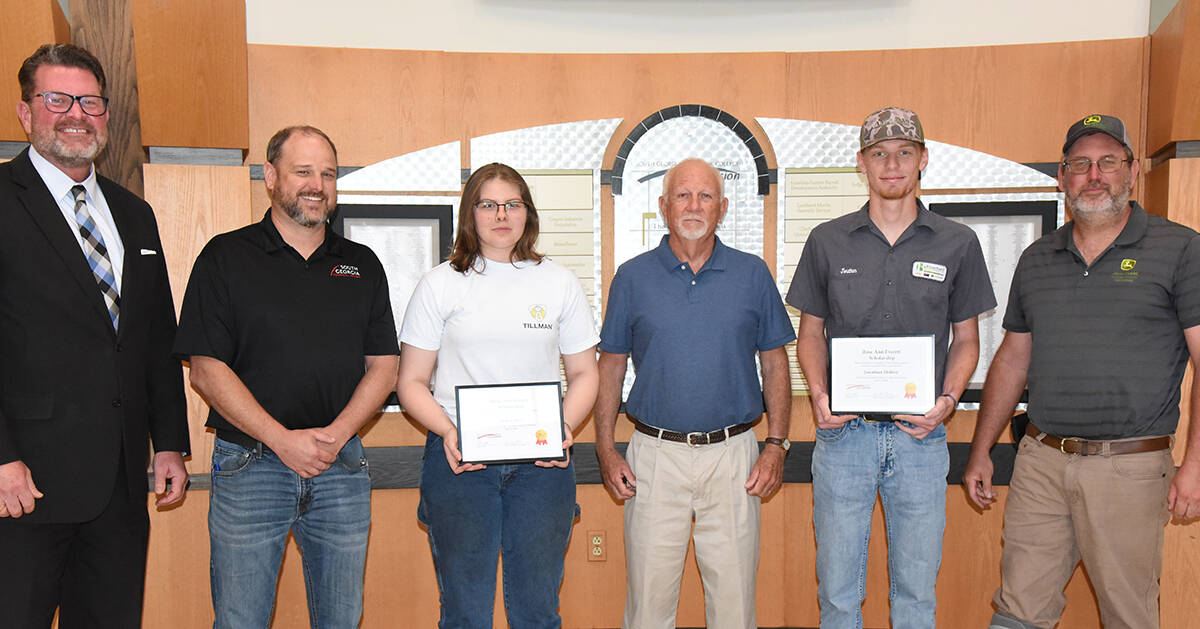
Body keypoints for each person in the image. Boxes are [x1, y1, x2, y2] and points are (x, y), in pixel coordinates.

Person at [963, 114, 1200, 629]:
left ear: (1132, 171)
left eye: (1108, 162)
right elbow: (1012, 358)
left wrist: (1196, 464)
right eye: (1080, 164)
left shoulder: (1180, 248)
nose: (1094, 175)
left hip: (1130, 468)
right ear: (1062, 177)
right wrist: (981, 449)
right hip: (1041, 462)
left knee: (1127, 613)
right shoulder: (1037, 258)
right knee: (1018, 608)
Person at [173, 125, 399, 629]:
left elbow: (384, 367)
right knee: (240, 620)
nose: (316, 184)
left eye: (327, 174)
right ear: (271, 177)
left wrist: (333, 439)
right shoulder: (225, 257)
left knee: (342, 619)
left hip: (341, 467)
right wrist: (282, 441)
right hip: (250, 465)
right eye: (303, 171)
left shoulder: (361, 265)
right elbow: (207, 371)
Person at [0, 43, 190, 627]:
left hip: (120, 486)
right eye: (57, 99)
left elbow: (155, 338)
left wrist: (170, 443)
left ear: (106, 115)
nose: (76, 114)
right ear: (26, 112)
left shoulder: (135, 215)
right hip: (25, 483)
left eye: (90, 101)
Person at [788, 106, 996, 628]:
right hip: (844, 439)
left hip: (921, 440)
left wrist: (946, 404)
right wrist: (817, 394)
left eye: (904, 152)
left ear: (923, 159)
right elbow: (809, 333)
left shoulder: (957, 242)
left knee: (915, 594)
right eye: (879, 154)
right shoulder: (826, 240)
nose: (892, 164)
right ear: (862, 163)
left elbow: (967, 339)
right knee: (837, 592)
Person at [397, 162, 599, 628]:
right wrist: (449, 431)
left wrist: (562, 428)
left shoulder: (558, 283)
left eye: (512, 204)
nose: (501, 214)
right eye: (488, 204)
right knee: (465, 611)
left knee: (537, 609)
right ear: (471, 213)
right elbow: (410, 383)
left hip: (543, 467)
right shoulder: (441, 283)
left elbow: (586, 373)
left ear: (527, 212)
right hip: (459, 461)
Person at [594, 158, 794, 629]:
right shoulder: (632, 277)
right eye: (682, 195)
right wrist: (605, 447)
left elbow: (774, 361)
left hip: (734, 458)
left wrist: (777, 444)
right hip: (654, 457)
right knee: (647, 606)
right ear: (663, 206)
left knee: (734, 606)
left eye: (705, 196)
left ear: (722, 207)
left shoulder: (752, 274)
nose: (693, 206)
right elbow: (611, 364)